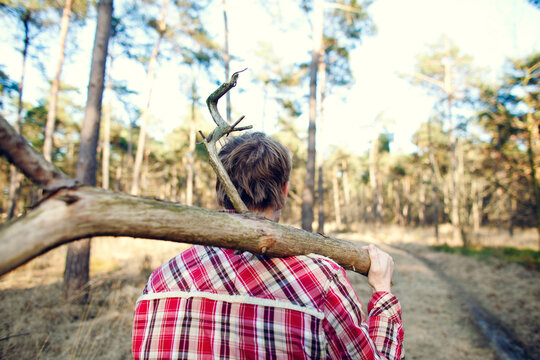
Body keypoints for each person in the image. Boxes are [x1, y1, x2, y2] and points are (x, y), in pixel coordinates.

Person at [132, 132, 404, 359]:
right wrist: (382, 293)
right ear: (284, 192)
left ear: (220, 189)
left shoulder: (160, 282)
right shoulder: (321, 282)